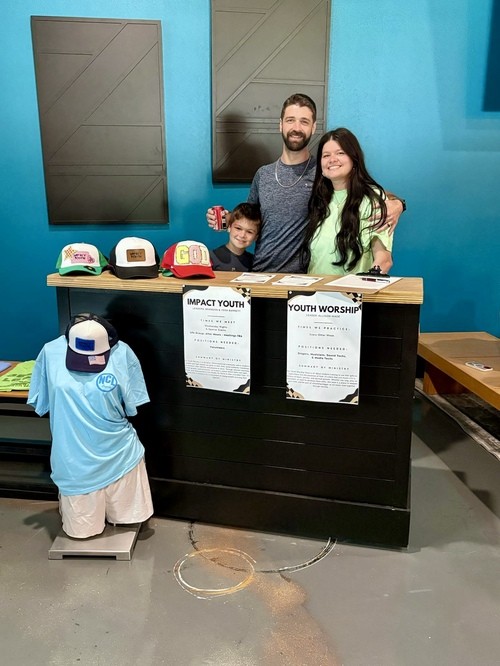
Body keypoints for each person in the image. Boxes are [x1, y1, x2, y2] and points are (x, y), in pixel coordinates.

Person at [207, 93, 405, 273]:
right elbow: (250, 219)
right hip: (261, 274)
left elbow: (360, 190)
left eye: (304, 121)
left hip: (304, 280)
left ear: (313, 127)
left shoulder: (323, 172)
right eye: (290, 120)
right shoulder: (263, 175)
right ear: (280, 125)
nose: (296, 128)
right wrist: (229, 219)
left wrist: (398, 204)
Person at [27, 313, 154, 539]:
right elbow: (42, 401)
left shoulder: (122, 353)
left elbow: (134, 404)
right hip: (74, 465)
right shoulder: (50, 353)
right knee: (82, 532)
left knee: (128, 523)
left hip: (121, 457)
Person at [301, 127, 393, 275]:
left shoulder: (373, 198)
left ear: (354, 158)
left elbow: (384, 259)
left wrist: (368, 282)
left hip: (353, 289)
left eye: (340, 153)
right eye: (326, 155)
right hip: (315, 288)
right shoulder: (319, 200)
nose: (332, 159)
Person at [209, 202, 261, 271]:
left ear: (256, 237)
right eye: (238, 228)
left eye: (249, 232)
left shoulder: (255, 262)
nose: (242, 235)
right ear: (229, 227)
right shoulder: (210, 258)